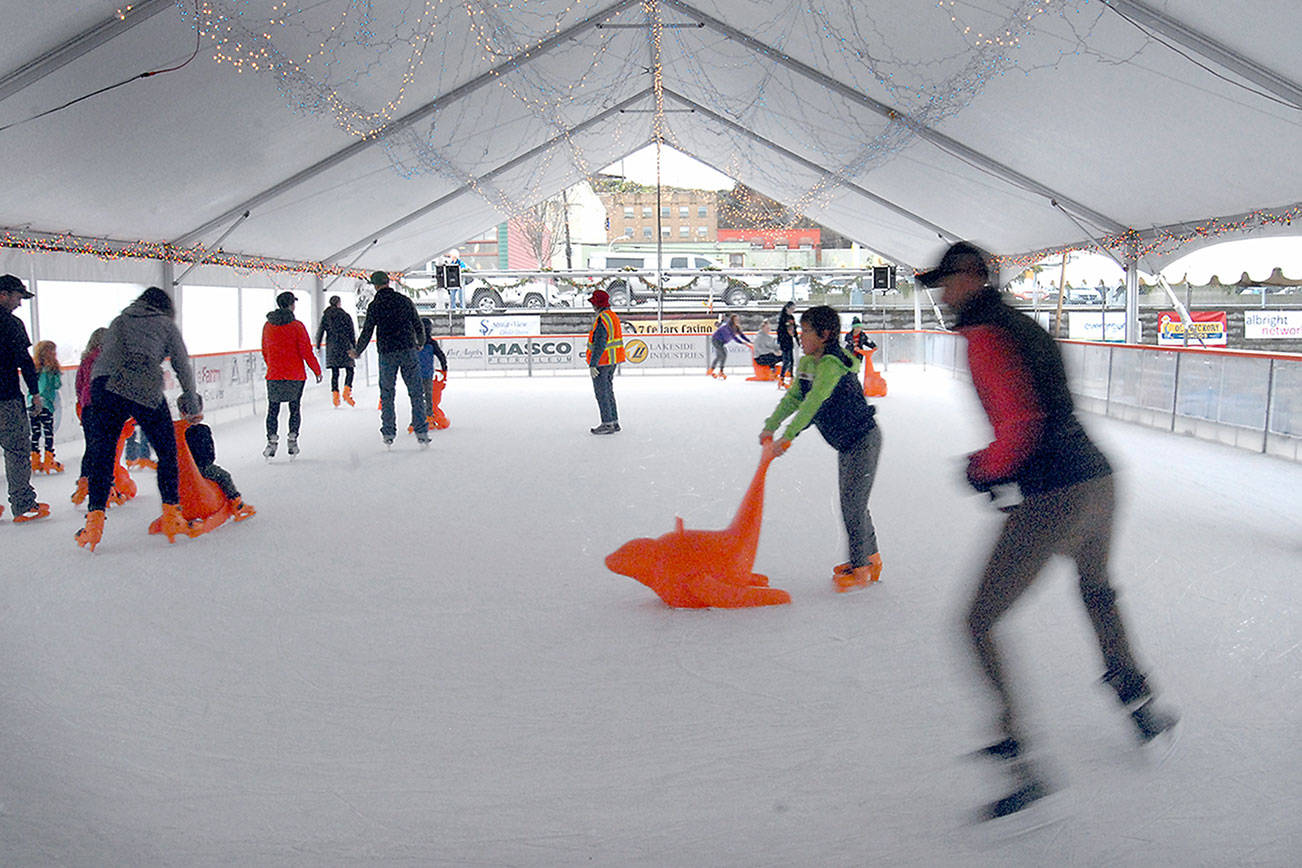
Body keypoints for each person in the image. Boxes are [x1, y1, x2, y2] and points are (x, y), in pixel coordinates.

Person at [917, 241, 1178, 821]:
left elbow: (1021, 424)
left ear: (975, 279)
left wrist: (983, 468)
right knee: (1095, 589)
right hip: (1098, 481)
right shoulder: (1019, 325)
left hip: (1058, 492)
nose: (943, 293)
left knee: (977, 621)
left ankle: (1019, 761)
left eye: (950, 282)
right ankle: (1138, 700)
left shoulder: (987, 337)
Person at [759, 305, 882, 591]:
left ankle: (861, 566)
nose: (800, 336)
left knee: (852, 505)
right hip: (847, 443)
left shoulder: (830, 366)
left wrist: (787, 437)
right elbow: (794, 399)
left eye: (806, 331)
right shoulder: (807, 364)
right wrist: (771, 425)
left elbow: (813, 404)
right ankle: (871, 558)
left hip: (863, 440)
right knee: (854, 503)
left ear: (825, 334)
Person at [76, 286, 203, 550]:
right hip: (142, 385)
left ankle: (94, 524)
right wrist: (191, 402)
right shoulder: (165, 324)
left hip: (104, 386)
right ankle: (172, 515)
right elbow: (181, 363)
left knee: (103, 453)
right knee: (167, 452)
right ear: (164, 307)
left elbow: (103, 361)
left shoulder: (119, 321)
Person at [351, 271, 429, 447]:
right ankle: (421, 431)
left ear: (375, 286)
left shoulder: (375, 305)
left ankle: (388, 432)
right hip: (407, 349)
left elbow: (367, 330)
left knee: (387, 393)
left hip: (386, 352)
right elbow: (418, 323)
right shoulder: (404, 300)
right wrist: (420, 341)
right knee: (416, 392)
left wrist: (358, 350)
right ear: (388, 283)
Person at [0, 274, 50, 522]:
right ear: (4, 295)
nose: (20, 304)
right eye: (18, 297)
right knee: (17, 450)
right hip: (5, 398)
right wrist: (35, 392)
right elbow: (25, 362)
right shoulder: (11, 324)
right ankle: (23, 505)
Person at [261, 291, 322, 458]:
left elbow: (265, 350)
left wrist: (273, 366)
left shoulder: (268, 326)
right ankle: (293, 438)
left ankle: (271, 441)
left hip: (274, 374)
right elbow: (306, 351)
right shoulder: (297, 326)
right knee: (294, 408)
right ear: (291, 305)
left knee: (273, 409)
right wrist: (316, 370)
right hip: (295, 375)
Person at [183, 401, 255, 521]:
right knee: (224, 476)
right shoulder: (203, 429)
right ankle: (236, 503)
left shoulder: (180, 432)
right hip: (202, 467)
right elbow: (209, 452)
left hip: (185, 470)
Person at [71, 327, 109, 505]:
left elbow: (78, 384)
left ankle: (83, 484)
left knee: (91, 447)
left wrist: (82, 402)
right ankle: (105, 487)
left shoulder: (86, 360)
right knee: (105, 449)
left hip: (88, 408)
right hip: (103, 408)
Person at [585, 288, 624, 434]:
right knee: (608, 391)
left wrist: (593, 363)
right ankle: (614, 421)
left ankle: (607, 423)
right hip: (612, 360)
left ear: (597, 304)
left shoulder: (602, 319)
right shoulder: (612, 316)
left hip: (602, 361)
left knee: (601, 393)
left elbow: (600, 343)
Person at [315, 294, 357, 407]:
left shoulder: (326, 317)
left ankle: (335, 396)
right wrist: (355, 347)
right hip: (345, 346)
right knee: (350, 370)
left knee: (335, 373)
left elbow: (320, 332)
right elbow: (351, 332)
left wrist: (318, 346)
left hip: (332, 347)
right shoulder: (345, 316)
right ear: (339, 303)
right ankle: (347, 392)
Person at [29, 340, 64, 474]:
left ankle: (35, 460)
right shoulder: (50, 369)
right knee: (48, 432)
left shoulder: (34, 367)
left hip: (32, 403)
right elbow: (56, 385)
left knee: (35, 432)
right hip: (45, 405)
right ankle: (49, 459)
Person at [417, 318, 448, 430]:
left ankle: (424, 418)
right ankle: (426, 418)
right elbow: (441, 356)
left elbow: (441, 356)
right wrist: (444, 368)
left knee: (420, 397)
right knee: (427, 397)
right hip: (424, 374)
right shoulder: (430, 343)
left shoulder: (418, 343)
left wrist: (444, 367)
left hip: (421, 374)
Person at [708, 313, 751, 379]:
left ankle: (714, 370)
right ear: (732, 320)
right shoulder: (727, 327)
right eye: (735, 320)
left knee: (720, 356)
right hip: (716, 340)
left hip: (721, 342)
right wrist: (743, 343)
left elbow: (742, 335)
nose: (737, 321)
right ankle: (717, 371)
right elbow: (734, 338)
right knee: (723, 354)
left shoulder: (736, 327)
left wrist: (749, 341)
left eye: (738, 320)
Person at [777, 301, 797, 389]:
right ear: (787, 308)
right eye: (791, 309)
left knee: (791, 361)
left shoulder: (791, 317)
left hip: (789, 341)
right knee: (786, 361)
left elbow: (794, 329)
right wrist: (780, 342)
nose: (793, 310)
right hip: (784, 341)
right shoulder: (782, 318)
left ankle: (791, 378)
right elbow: (780, 331)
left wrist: (796, 337)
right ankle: (781, 378)